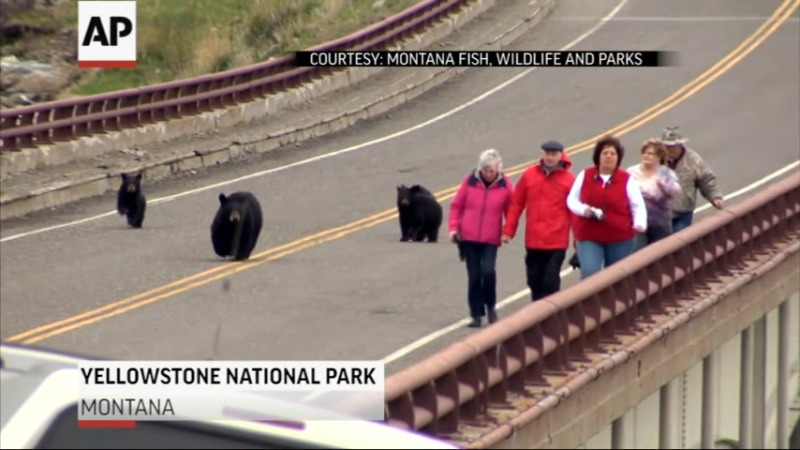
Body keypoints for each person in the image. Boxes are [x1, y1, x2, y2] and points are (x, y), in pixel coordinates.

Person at [502, 140, 575, 301]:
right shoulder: (530, 175)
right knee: (534, 280)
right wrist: (508, 230)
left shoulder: (569, 180)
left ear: (561, 155)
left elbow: (575, 212)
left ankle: (552, 311)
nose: (550, 157)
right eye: (547, 154)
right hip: (534, 240)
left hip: (556, 242)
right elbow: (517, 203)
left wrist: (578, 242)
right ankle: (537, 310)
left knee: (550, 281)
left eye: (553, 154)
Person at [449, 149, 514, 328]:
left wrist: (508, 231)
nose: (488, 174)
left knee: (488, 271)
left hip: (490, 239)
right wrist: (453, 228)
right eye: (485, 170)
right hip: (468, 237)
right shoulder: (469, 182)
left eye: (491, 170)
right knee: (474, 276)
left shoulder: (505, 186)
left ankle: (491, 306)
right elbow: (456, 206)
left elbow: (511, 211)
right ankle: (476, 314)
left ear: (498, 169)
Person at [567, 135, 647, 280]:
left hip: (620, 237)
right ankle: (590, 295)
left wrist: (639, 222)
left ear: (618, 158)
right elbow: (572, 200)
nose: (608, 156)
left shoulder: (626, 179)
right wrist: (583, 210)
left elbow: (637, 204)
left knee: (616, 277)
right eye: (605, 153)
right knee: (590, 273)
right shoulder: (585, 175)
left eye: (613, 154)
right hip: (589, 236)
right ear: (598, 156)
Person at [661, 126, 724, 232]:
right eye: (666, 146)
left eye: (672, 146)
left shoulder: (693, 159)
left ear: (680, 144)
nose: (669, 149)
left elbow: (706, 179)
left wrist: (714, 197)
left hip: (683, 212)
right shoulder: (656, 159)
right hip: (661, 214)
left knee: (680, 238)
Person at [627, 138, 682, 249]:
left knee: (661, 252)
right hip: (639, 222)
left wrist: (664, 187)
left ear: (659, 157)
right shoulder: (631, 172)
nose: (646, 156)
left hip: (660, 223)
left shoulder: (666, 173)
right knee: (639, 253)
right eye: (644, 153)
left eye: (650, 154)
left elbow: (676, 191)